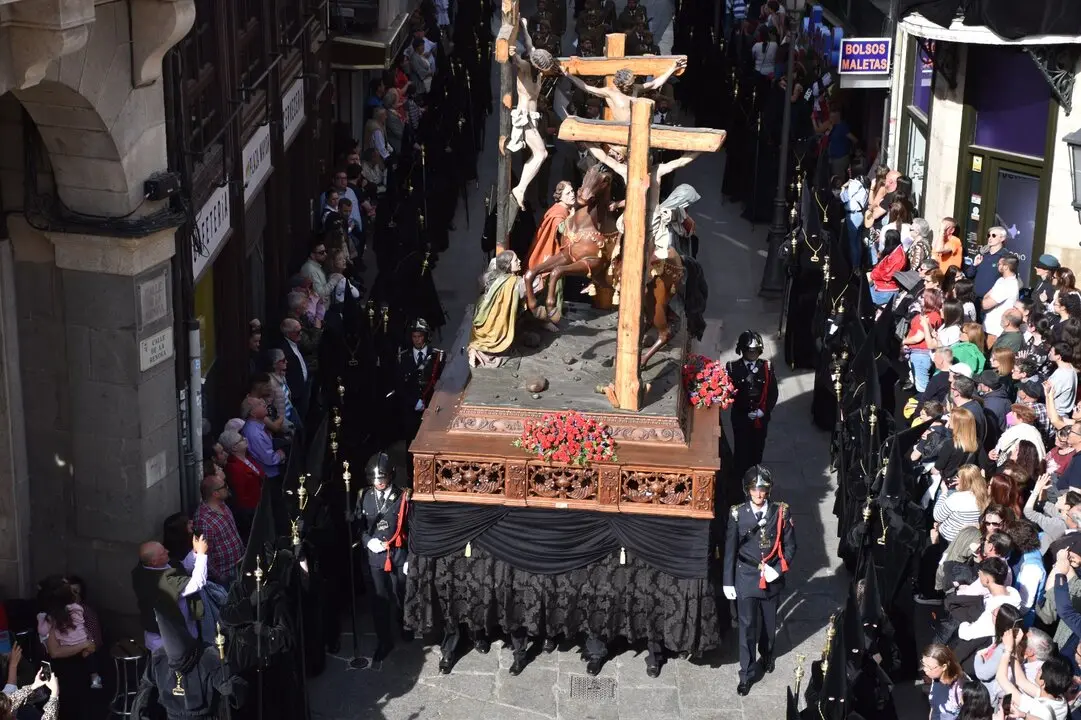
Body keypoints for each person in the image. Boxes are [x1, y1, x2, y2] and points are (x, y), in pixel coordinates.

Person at [722, 466, 797, 696]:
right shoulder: (737, 513)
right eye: (754, 489)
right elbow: (730, 550)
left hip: (771, 577)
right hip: (746, 576)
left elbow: (790, 546)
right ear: (747, 490)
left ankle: (767, 653)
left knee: (768, 622)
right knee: (746, 627)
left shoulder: (781, 512)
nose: (758, 494)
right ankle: (746, 673)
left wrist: (778, 570)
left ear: (768, 490)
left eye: (762, 489)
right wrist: (728, 581)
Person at [354, 452, 409, 662]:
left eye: (382, 478)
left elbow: (410, 528)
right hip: (376, 556)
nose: (379, 483)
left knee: (400, 594)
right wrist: (368, 541)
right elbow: (359, 526)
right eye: (375, 479)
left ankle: (404, 625)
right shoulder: (364, 496)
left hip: (397, 553)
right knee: (379, 599)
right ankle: (384, 640)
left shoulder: (402, 496)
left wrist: (410, 557)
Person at [725, 331, 778, 479]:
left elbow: (773, 393)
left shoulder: (767, 367)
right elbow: (729, 393)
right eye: (749, 351)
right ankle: (739, 479)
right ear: (742, 350)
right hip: (741, 416)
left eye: (756, 351)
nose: (753, 354)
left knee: (757, 449)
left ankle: (754, 477)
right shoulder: (732, 367)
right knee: (741, 450)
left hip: (760, 418)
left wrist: (764, 411)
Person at [467, 251, 526, 367]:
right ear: (507, 265)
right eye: (515, 260)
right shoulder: (516, 282)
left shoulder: (489, 276)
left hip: (482, 320)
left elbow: (480, 283)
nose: (519, 261)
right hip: (497, 327)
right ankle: (479, 350)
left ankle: (474, 348)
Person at [396, 318, 444, 444]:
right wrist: (413, 401)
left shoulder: (437, 356)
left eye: (420, 336)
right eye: (414, 336)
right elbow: (400, 386)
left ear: (426, 337)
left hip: (430, 407)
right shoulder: (403, 357)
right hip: (410, 410)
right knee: (411, 443)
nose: (417, 340)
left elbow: (441, 384)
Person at [922, 643, 966, 720]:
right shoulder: (936, 678)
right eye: (923, 664)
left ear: (944, 667)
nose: (924, 669)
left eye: (929, 667)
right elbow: (933, 707)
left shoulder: (959, 688)